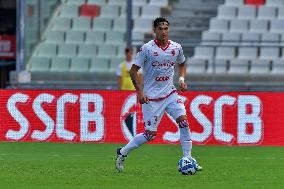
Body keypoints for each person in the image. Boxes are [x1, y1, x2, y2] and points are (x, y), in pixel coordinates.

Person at [115, 17, 202, 172]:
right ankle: (123, 152)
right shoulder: (147, 49)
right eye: (160, 28)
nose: (164, 31)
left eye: (166, 28)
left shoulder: (176, 48)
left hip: (170, 93)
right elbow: (133, 70)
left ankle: (188, 158)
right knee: (150, 135)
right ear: (154, 30)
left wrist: (181, 79)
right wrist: (140, 92)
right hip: (151, 98)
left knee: (183, 122)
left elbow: (182, 63)